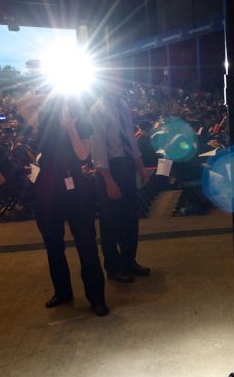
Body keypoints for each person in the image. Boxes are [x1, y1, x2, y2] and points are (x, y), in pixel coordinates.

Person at [33, 93, 108, 316]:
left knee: (87, 245)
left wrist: (69, 127)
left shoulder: (80, 118)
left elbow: (84, 154)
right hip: (49, 189)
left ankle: (96, 298)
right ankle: (62, 292)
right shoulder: (44, 118)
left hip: (77, 190)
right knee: (53, 245)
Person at [89, 83, 150, 283]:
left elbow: (131, 139)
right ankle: (113, 267)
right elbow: (98, 150)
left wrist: (140, 166)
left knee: (131, 218)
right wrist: (108, 180)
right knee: (110, 223)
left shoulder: (122, 105)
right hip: (109, 168)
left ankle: (129, 261)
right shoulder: (97, 110)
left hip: (125, 164)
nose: (119, 82)